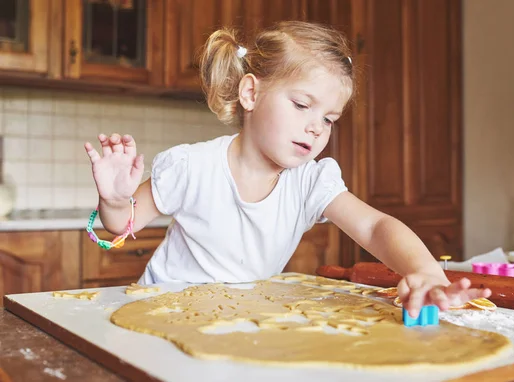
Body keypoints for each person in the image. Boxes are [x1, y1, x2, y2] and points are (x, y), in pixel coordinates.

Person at [84, 21, 490, 318]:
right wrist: (115, 199)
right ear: (250, 93)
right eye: (301, 105)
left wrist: (425, 272)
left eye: (330, 118)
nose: (316, 127)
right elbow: (120, 225)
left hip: (236, 321)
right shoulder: (193, 166)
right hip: (160, 314)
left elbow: (375, 227)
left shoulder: (311, 180)